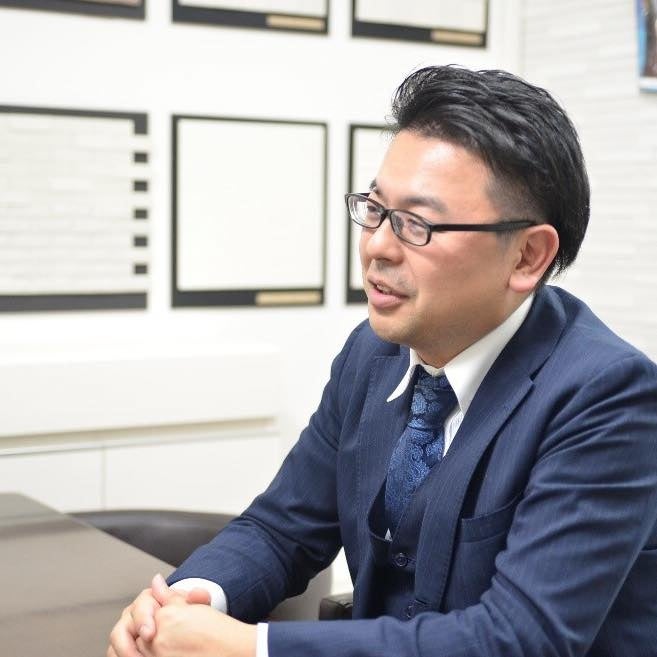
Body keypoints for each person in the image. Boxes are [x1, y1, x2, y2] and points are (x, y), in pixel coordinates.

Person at [108, 65, 657, 657]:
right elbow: (282, 526)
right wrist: (185, 602)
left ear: (527, 256)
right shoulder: (373, 354)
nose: (376, 246)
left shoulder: (608, 397)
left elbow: (518, 639)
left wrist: (253, 647)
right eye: (374, 209)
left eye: (416, 223)